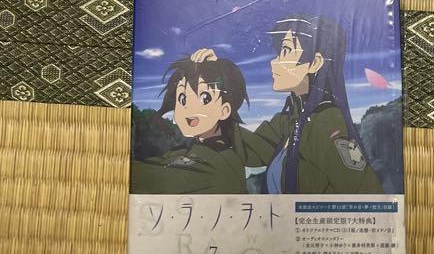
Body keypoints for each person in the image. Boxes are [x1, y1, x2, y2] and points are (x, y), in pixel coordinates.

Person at [192, 15, 383, 194]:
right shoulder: (292, 117)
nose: (274, 62)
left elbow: (366, 194)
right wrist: (219, 76)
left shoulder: (327, 124)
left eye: (285, 51)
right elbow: (252, 149)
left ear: (315, 62)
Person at [130, 56, 251, 194]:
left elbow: (149, 178)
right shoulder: (200, 150)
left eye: (204, 98)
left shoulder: (215, 163)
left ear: (224, 111)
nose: (188, 108)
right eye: (182, 99)